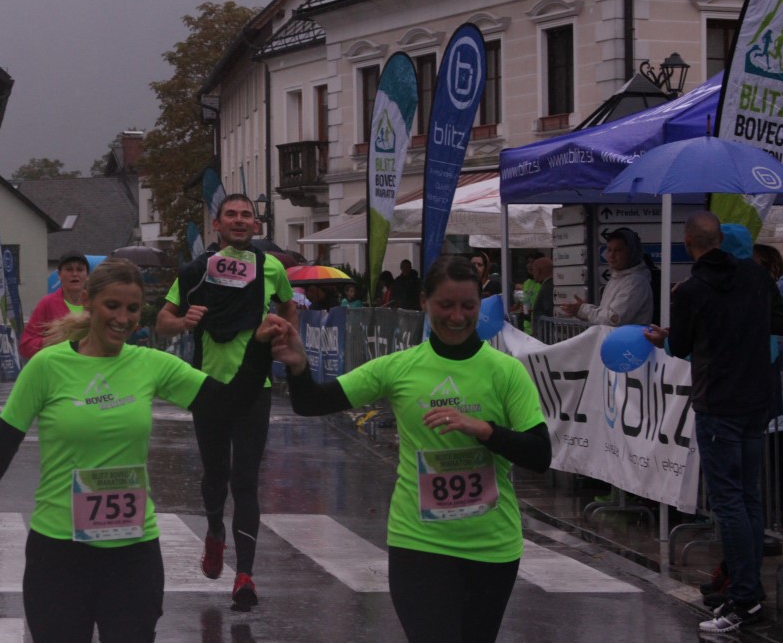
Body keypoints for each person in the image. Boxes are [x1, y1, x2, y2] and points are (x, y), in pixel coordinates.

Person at [0, 258, 286, 642]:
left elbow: (229, 404)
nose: (123, 319)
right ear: (88, 302)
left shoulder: (151, 364)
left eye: (132, 309)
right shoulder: (47, 367)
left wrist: (259, 349)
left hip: (133, 555)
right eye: (112, 306)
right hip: (58, 553)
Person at [272, 256, 551, 643]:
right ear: (424, 302)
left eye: (468, 306)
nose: (457, 317)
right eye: (445, 305)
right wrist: (298, 367)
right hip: (419, 542)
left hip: (492, 546)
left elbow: (540, 455)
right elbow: (311, 403)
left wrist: (487, 431)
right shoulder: (398, 367)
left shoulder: (506, 371)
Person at [155, 193, 297, 607]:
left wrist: (285, 338)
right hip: (209, 388)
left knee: (246, 480)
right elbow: (162, 321)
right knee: (216, 475)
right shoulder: (197, 270)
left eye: (246, 215)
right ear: (216, 225)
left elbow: (289, 305)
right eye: (231, 214)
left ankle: (245, 576)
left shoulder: (271, 267)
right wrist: (183, 321)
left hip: (255, 388)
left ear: (256, 225)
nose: (239, 220)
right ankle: (215, 530)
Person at [644, 212, 783, 634]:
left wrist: (665, 337)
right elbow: (776, 322)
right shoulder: (756, 277)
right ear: (719, 239)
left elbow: (681, 344)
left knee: (729, 502)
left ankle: (744, 598)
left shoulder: (692, 288)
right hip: (757, 399)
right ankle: (748, 588)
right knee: (749, 497)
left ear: (689, 244)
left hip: (719, 402)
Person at [560, 227, 652, 326]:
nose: (612, 255)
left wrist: (583, 310)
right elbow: (605, 318)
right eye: (609, 250)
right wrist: (581, 311)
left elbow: (613, 319)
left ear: (631, 252)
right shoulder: (617, 279)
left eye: (618, 250)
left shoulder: (636, 282)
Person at [19, 250, 90, 361]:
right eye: (69, 269)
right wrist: (58, 338)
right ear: (59, 275)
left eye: (80, 269)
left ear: (87, 276)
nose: (75, 274)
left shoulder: (96, 304)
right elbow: (25, 347)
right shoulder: (47, 303)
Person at [530, 256, 554, 339]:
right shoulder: (550, 285)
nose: (532, 274)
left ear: (539, 271)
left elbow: (548, 310)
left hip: (545, 337)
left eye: (533, 270)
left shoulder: (548, 287)